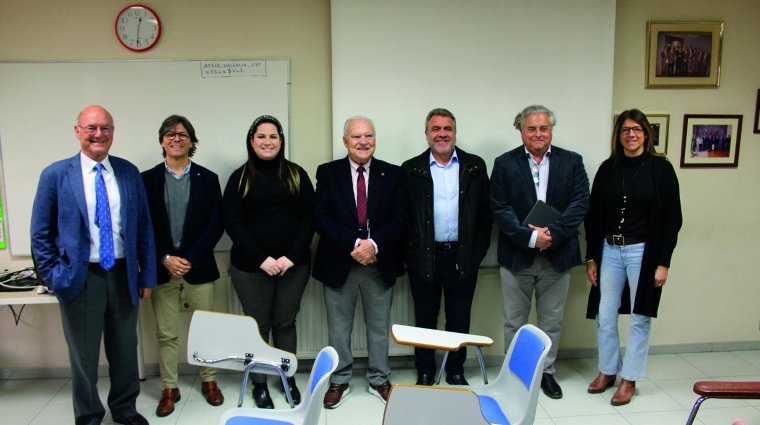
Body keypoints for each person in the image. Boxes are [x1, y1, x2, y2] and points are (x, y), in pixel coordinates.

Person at [30, 105, 156, 425]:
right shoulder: (56, 174)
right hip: (79, 278)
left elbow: (143, 228)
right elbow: (40, 233)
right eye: (91, 128)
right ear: (78, 132)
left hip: (123, 274)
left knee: (125, 352)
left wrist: (148, 275)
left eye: (105, 128)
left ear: (113, 132)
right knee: (84, 356)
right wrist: (54, 276)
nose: (98, 134)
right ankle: (88, 416)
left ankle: (125, 410)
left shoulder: (128, 172)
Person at [490, 105, 589, 400]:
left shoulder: (571, 161)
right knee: (514, 323)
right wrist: (531, 238)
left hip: (558, 257)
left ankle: (546, 374)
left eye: (543, 128)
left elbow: (580, 202)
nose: (538, 134)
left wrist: (553, 234)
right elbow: (499, 207)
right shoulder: (504, 163)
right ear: (521, 131)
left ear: (551, 131)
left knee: (551, 322)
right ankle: (515, 377)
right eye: (531, 128)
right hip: (517, 256)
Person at [585, 109, 682, 406]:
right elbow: (593, 216)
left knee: (640, 318)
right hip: (609, 250)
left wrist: (662, 262)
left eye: (637, 129)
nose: (631, 135)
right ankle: (608, 370)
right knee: (605, 315)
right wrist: (592, 257)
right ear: (619, 135)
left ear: (646, 134)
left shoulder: (661, 169)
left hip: (643, 252)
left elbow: (672, 218)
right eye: (626, 129)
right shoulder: (608, 168)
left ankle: (630, 378)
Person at [312, 116, 407, 408]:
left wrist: (373, 245)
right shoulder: (328, 173)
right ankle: (339, 378)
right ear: (345, 141)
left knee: (379, 326)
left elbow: (401, 218)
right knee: (339, 328)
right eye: (356, 137)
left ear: (375, 139)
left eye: (368, 136)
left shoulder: (393, 174)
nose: (363, 141)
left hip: (379, 262)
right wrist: (355, 245)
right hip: (340, 261)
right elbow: (321, 218)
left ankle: (380, 378)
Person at [223, 115, 314, 409]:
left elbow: (309, 219)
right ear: (252, 141)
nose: (267, 142)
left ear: (281, 141)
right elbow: (233, 223)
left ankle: (287, 378)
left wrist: (289, 257)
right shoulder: (239, 177)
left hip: (293, 266)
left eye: (273, 136)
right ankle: (259, 384)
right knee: (258, 327)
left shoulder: (296, 174)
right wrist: (262, 259)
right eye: (261, 136)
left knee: (285, 323)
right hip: (251, 268)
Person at [401, 108, 492, 386]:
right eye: (436, 129)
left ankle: (455, 369)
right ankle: (425, 370)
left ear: (455, 132)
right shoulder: (411, 169)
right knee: (425, 318)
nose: (442, 134)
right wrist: (411, 254)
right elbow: (402, 217)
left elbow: (485, 215)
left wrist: (476, 253)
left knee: (459, 317)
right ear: (427, 134)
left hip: (462, 256)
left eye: (447, 128)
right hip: (424, 256)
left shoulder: (474, 166)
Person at [141, 115, 225, 416]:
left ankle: (209, 381)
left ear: (191, 140)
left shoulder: (208, 178)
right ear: (162, 140)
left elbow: (216, 224)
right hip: (162, 269)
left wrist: (190, 258)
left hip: (198, 267)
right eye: (169, 134)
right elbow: (143, 225)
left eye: (182, 134)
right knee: (166, 334)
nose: (176, 138)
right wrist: (166, 258)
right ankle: (170, 387)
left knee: (206, 330)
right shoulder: (146, 179)